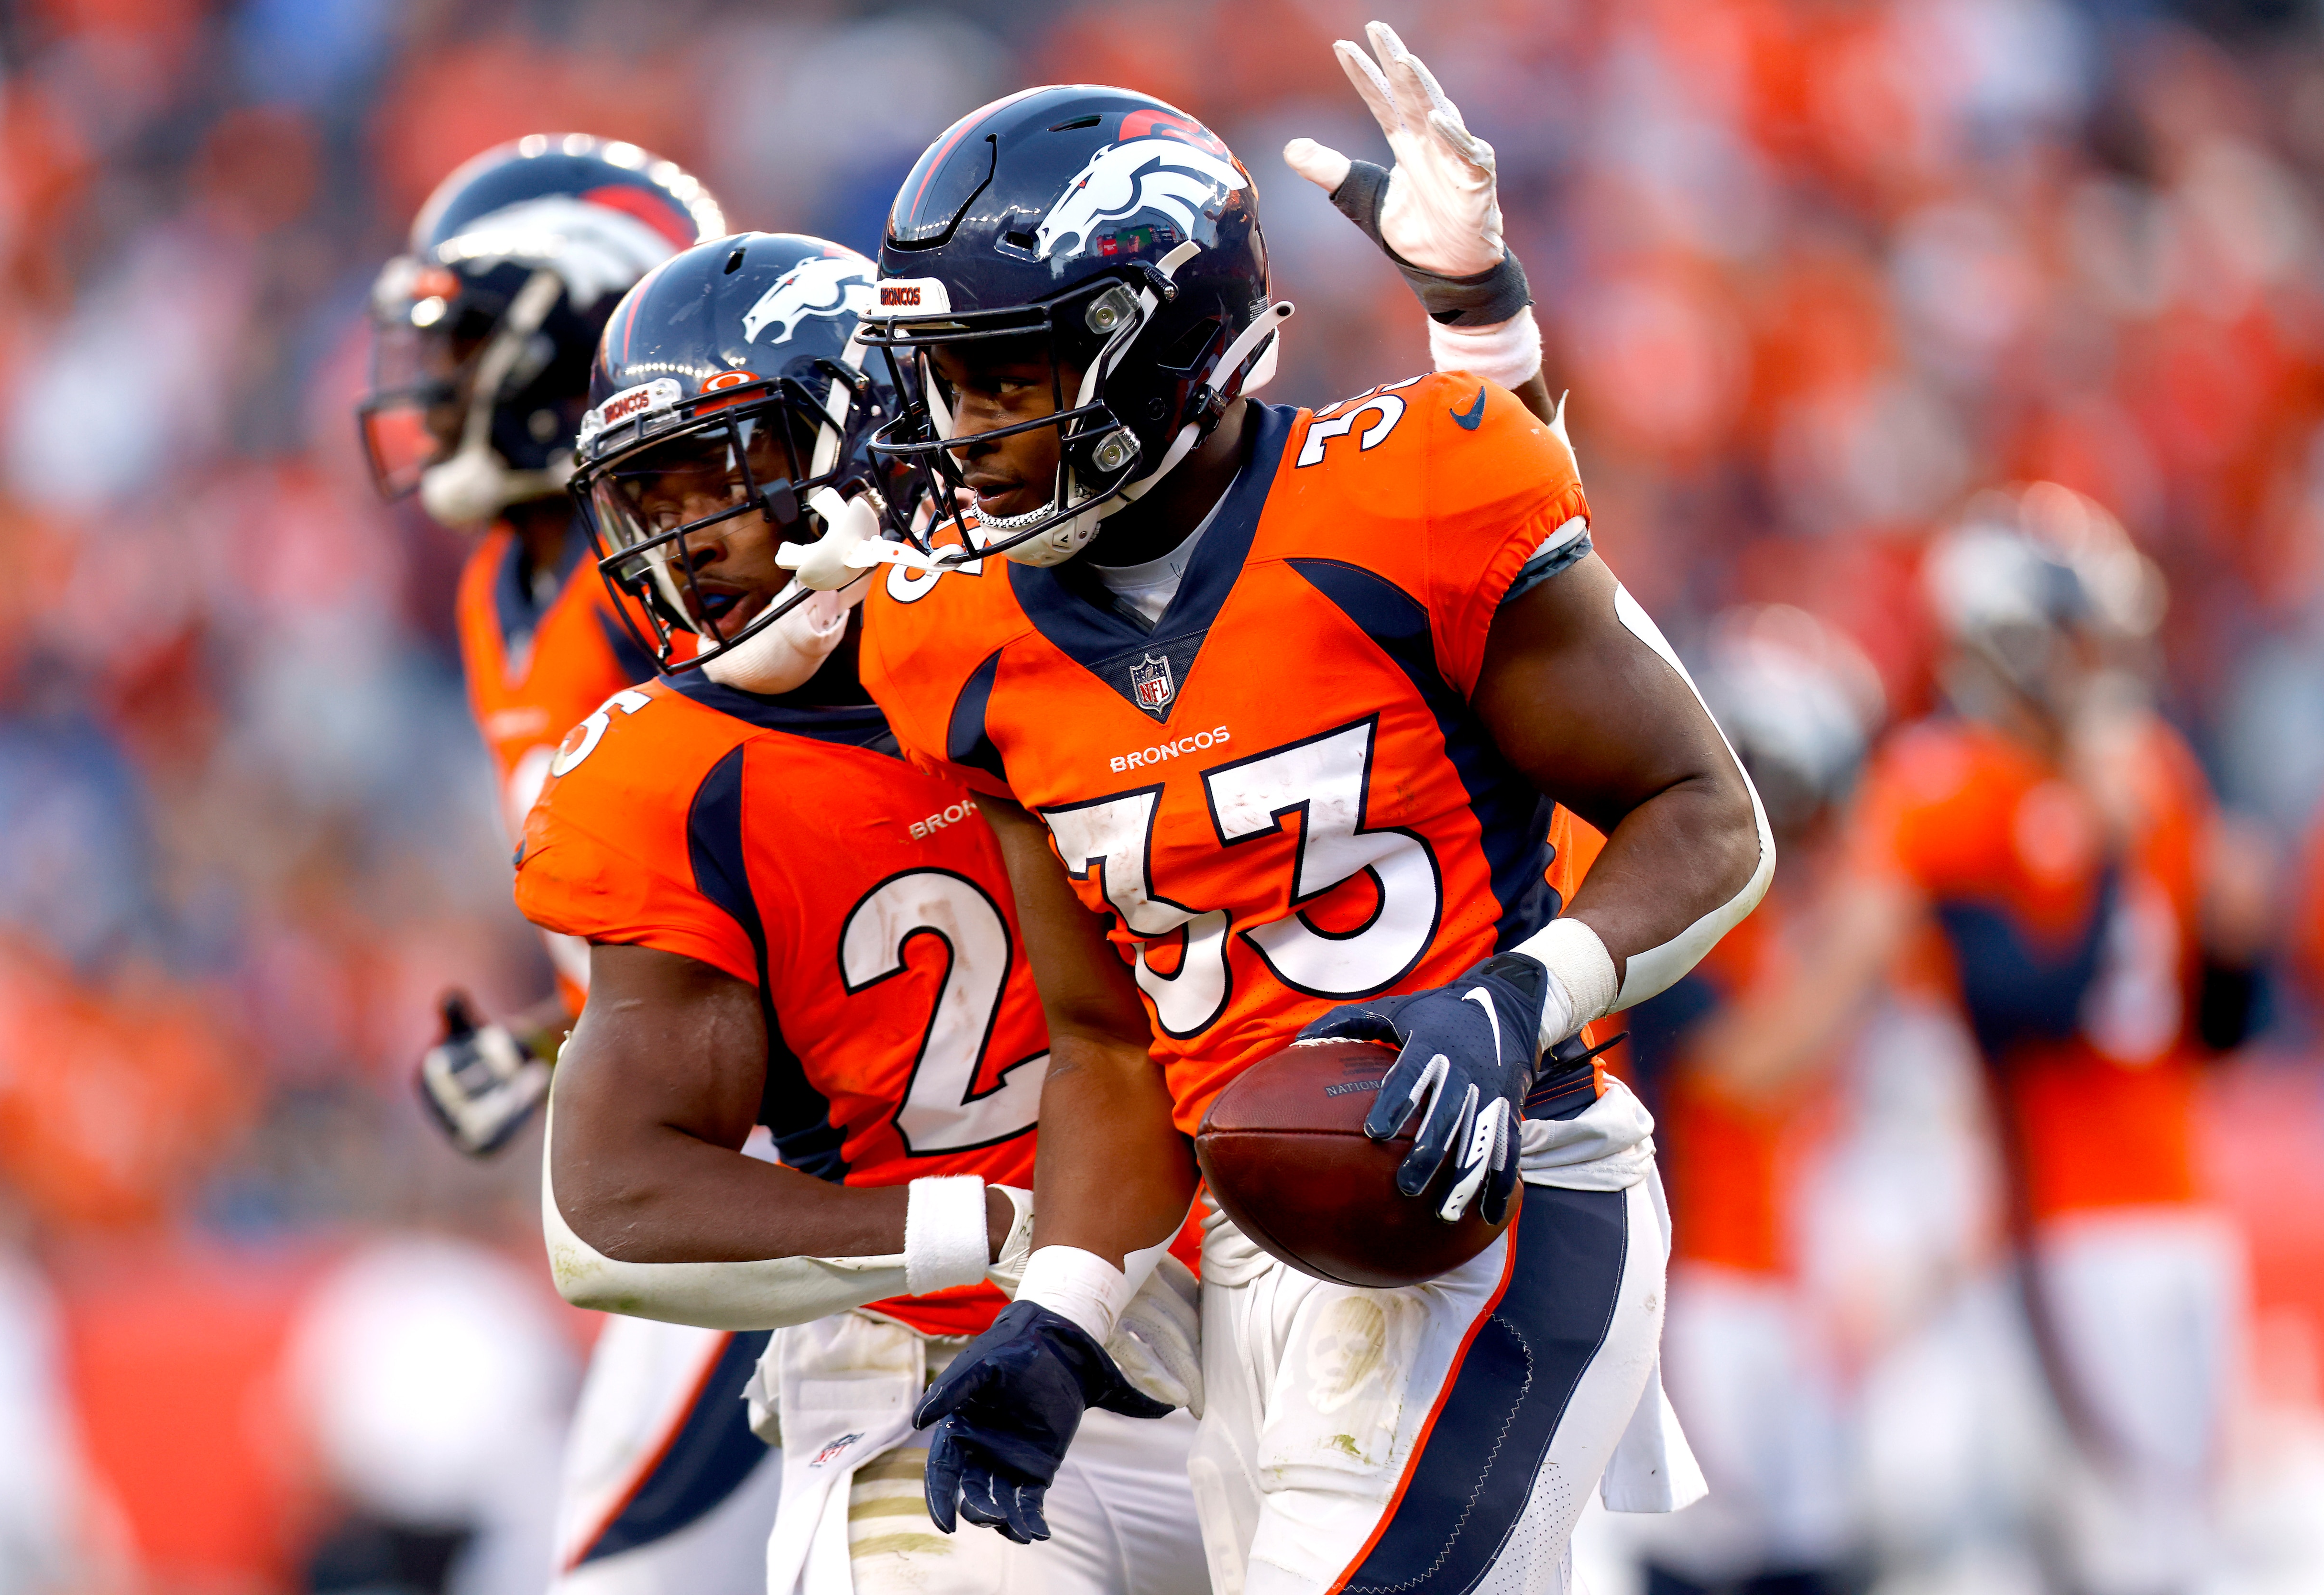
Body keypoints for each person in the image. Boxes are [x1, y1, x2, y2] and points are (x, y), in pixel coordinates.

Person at [841, 28, 1771, 1594]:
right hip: (1256, 1246)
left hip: (1497, 1187)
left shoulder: (1410, 491)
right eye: (948, 379)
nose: (969, 432)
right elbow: (1113, 1037)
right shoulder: (958, 641)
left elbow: (1702, 811)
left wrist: (1517, 1001)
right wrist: (1063, 1307)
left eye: (1012, 375)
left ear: (1166, 344)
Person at [515, 230, 1210, 1595]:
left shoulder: (1063, 624)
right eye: (642, 497)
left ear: (876, 442)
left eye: (714, 480)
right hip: (924, 1377)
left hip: (1243, 1325)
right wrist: (1003, 1231)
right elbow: (608, 1210)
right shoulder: (666, 773)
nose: (679, 544)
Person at [357, 137, 782, 1594]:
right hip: (691, 1120)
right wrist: (556, 1036)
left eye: (465, 333)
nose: (433, 377)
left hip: (794, 1136)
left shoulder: (660, 573)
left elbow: (788, 878)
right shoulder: (501, 589)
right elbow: (660, 910)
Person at [1759, 483, 2259, 1595]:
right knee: (1978, 1514)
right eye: (2080, 636)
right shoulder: (1947, 786)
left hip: (2171, 1186)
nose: (2103, 662)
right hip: (2010, 1193)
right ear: (2019, 642)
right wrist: (2108, 852)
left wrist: (2235, 946)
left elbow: (2210, 1029)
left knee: (2176, 1533)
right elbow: (2015, 1005)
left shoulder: (2155, 774)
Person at [1623, 607, 1887, 1595]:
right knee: (1710, 1555)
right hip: (1704, 1280)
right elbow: (1740, 1067)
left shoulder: (1788, 922)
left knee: (1807, 1550)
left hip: (1791, 1277)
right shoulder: (1683, 905)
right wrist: (1859, 949)